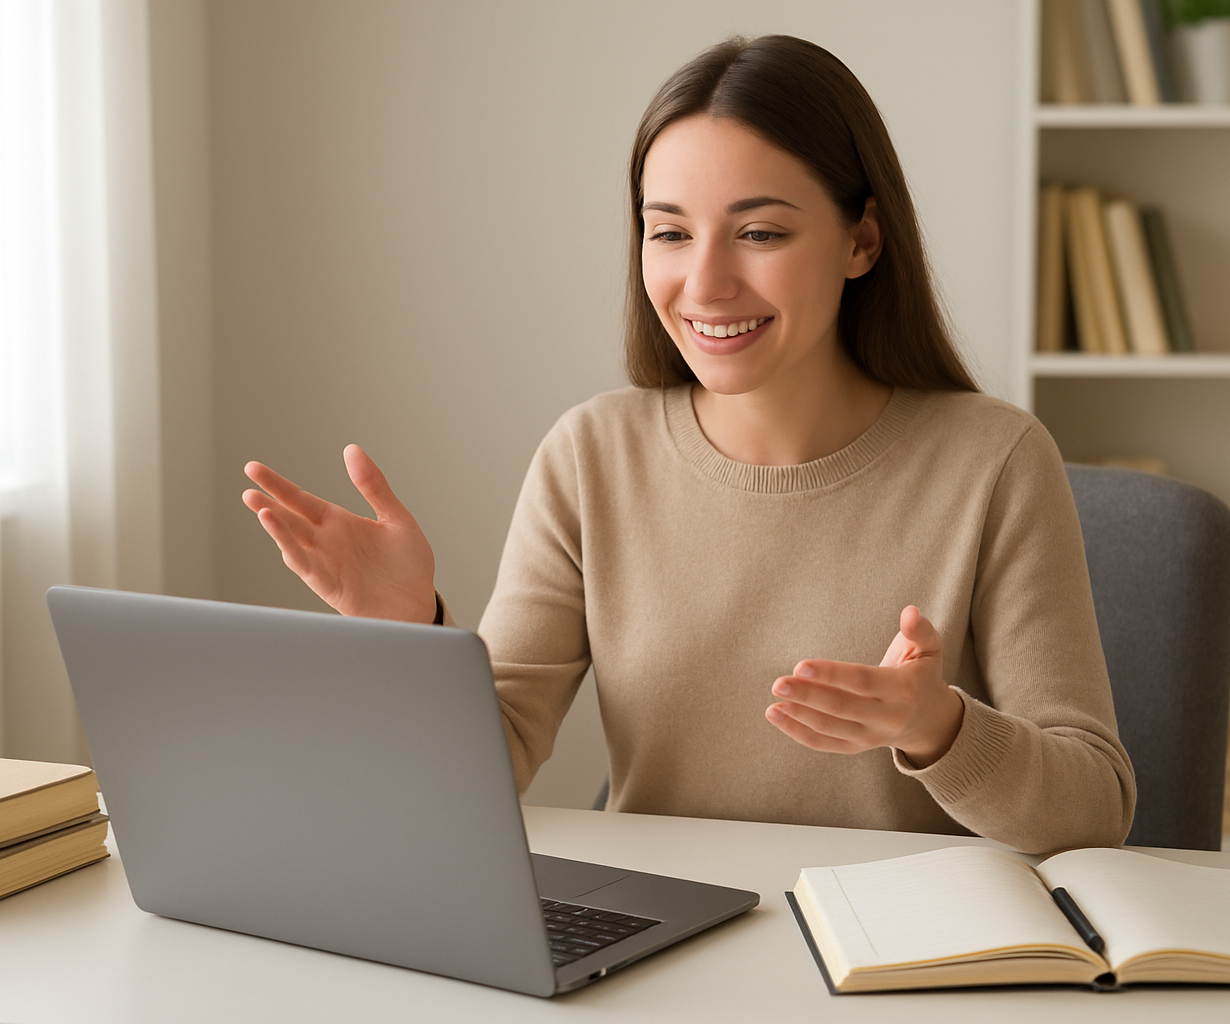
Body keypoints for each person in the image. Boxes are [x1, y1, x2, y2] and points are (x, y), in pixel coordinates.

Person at [242, 35, 1135, 855]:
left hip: (904, 960)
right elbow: (489, 764)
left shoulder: (996, 460)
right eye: (668, 232)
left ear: (862, 239)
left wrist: (937, 725)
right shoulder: (590, 455)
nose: (703, 284)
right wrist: (410, 635)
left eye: (760, 233)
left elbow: (1095, 809)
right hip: (665, 947)